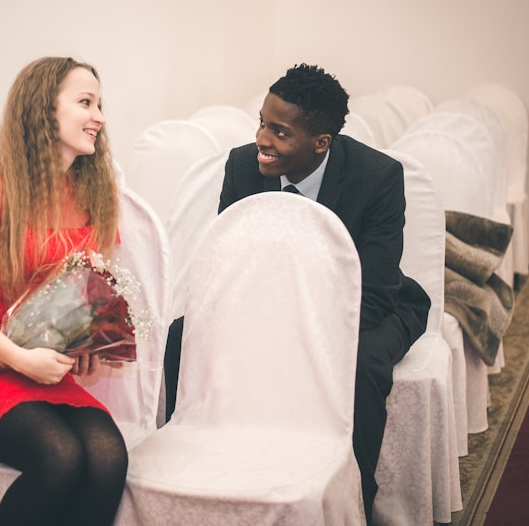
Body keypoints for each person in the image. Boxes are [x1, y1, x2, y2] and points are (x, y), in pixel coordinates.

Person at [165, 63, 430, 524]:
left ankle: (355, 499)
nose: (262, 141)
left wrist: (291, 332)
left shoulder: (378, 177)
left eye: (279, 132)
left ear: (321, 143)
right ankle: (187, 473)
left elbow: (372, 297)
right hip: (267, 302)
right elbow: (228, 265)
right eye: (262, 123)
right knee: (182, 333)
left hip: (371, 306)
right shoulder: (244, 166)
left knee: (364, 362)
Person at [0, 57, 128, 526]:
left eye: (100, 104)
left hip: (41, 364)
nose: (100, 117)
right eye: (85, 102)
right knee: (59, 456)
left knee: (108, 458)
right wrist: (21, 359)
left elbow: (84, 298)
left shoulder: (92, 194)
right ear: (44, 110)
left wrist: (85, 345)